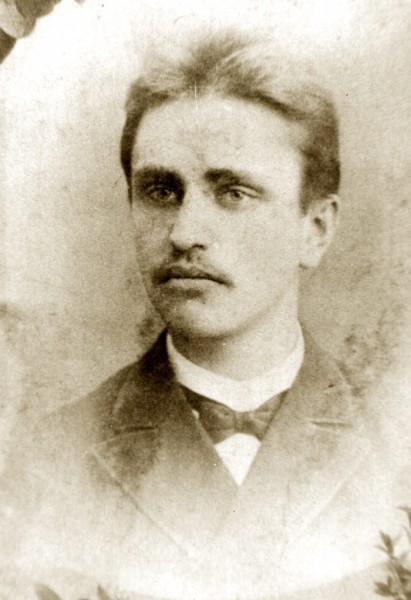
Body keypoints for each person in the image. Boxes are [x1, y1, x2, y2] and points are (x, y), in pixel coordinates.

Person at [0, 29, 409, 600]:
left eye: (233, 192)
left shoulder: (397, 443)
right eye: (161, 191)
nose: (185, 232)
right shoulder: (45, 457)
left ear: (315, 230)